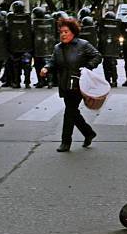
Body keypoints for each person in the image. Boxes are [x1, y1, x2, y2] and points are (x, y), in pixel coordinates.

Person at [40, 17, 102, 152]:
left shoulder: (83, 44)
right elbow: (53, 61)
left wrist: (87, 67)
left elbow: (97, 56)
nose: (63, 34)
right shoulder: (58, 48)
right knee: (73, 112)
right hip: (64, 84)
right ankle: (88, 133)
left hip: (79, 83)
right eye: (61, 32)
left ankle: (65, 142)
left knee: (69, 112)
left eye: (66, 31)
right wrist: (46, 68)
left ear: (73, 32)